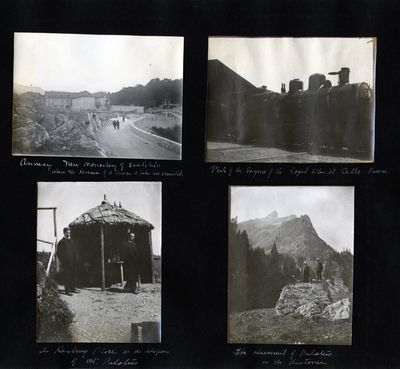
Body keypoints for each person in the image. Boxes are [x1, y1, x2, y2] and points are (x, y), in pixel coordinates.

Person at [56, 227, 77, 296]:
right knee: (67, 276)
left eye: (69, 232)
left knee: (73, 275)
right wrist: (63, 260)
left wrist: (76, 258)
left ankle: (72, 289)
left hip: (73, 262)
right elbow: (58, 253)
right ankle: (67, 291)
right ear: (64, 233)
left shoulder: (72, 240)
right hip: (66, 263)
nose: (68, 233)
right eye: (67, 232)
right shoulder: (61, 242)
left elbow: (75, 251)